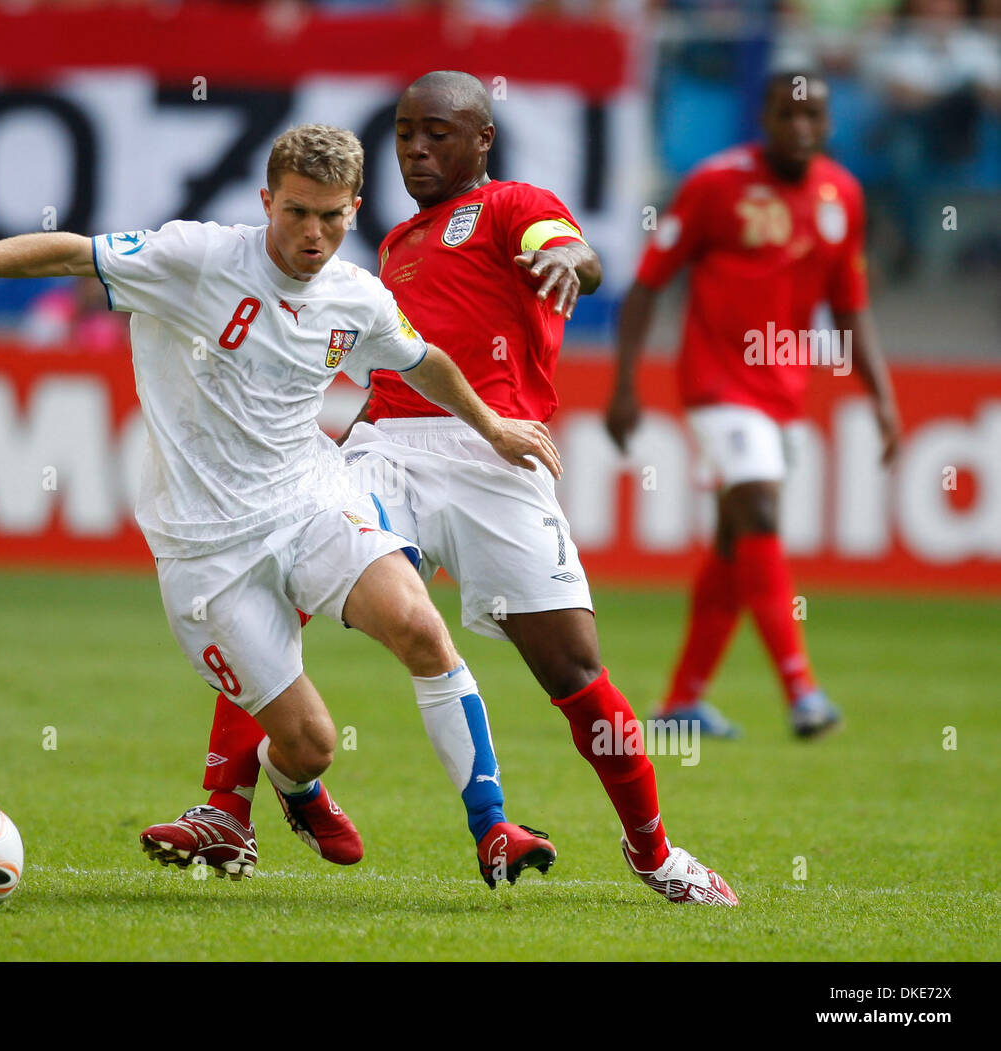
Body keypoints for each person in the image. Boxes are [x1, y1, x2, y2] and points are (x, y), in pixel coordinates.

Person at [0, 123, 561, 885]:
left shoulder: (357, 297)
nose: (314, 235)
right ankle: (293, 783)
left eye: (333, 217)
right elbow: (74, 250)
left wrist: (493, 425)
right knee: (310, 742)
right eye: (298, 212)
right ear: (266, 200)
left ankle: (493, 825)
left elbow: (424, 358)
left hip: (310, 503)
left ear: (356, 208)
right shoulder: (196, 259)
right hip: (207, 552)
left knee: (421, 629)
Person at [143, 73, 739, 905]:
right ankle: (226, 808)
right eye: (405, 133)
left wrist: (569, 255)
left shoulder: (509, 205)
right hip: (387, 446)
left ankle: (655, 853)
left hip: (500, 455)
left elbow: (563, 244)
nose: (417, 148)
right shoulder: (387, 249)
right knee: (283, 573)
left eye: (438, 133)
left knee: (573, 668)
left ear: (482, 140)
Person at [606, 70, 902, 739]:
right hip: (717, 383)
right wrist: (624, 383)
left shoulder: (842, 195)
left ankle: (682, 701)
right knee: (760, 507)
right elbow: (651, 281)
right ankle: (802, 689)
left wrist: (882, 398)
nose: (800, 128)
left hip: (784, 390)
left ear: (828, 125)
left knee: (736, 540)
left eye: (813, 116)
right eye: (786, 114)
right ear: (763, 117)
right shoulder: (716, 183)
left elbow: (850, 305)